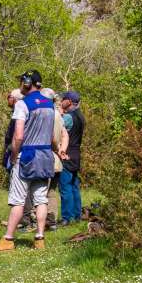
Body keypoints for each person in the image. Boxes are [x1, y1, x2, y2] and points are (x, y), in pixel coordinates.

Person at [0, 70, 58, 253]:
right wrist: (56, 150)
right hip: (45, 156)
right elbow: (51, 136)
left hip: (26, 156)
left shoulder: (22, 105)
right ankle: (40, 238)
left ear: (27, 83)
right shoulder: (50, 105)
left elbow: (18, 136)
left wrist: (12, 155)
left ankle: (8, 239)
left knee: (18, 200)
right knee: (41, 199)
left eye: (21, 81)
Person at [23, 88, 68, 231]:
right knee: (51, 192)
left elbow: (51, 137)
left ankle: (36, 223)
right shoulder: (59, 115)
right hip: (56, 159)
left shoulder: (46, 113)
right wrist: (62, 151)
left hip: (45, 157)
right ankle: (52, 222)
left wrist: (56, 148)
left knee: (38, 193)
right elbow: (65, 135)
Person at [58, 90, 85, 225]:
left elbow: (58, 131)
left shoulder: (68, 117)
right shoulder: (81, 116)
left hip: (67, 153)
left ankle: (66, 218)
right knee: (74, 186)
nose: (61, 100)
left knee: (65, 187)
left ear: (68, 101)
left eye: (63, 98)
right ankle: (77, 215)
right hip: (76, 153)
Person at [3, 89, 24, 170]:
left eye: (9, 97)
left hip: (15, 154)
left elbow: (18, 136)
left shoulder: (19, 115)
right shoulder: (18, 113)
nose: (8, 99)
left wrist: (12, 153)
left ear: (14, 99)